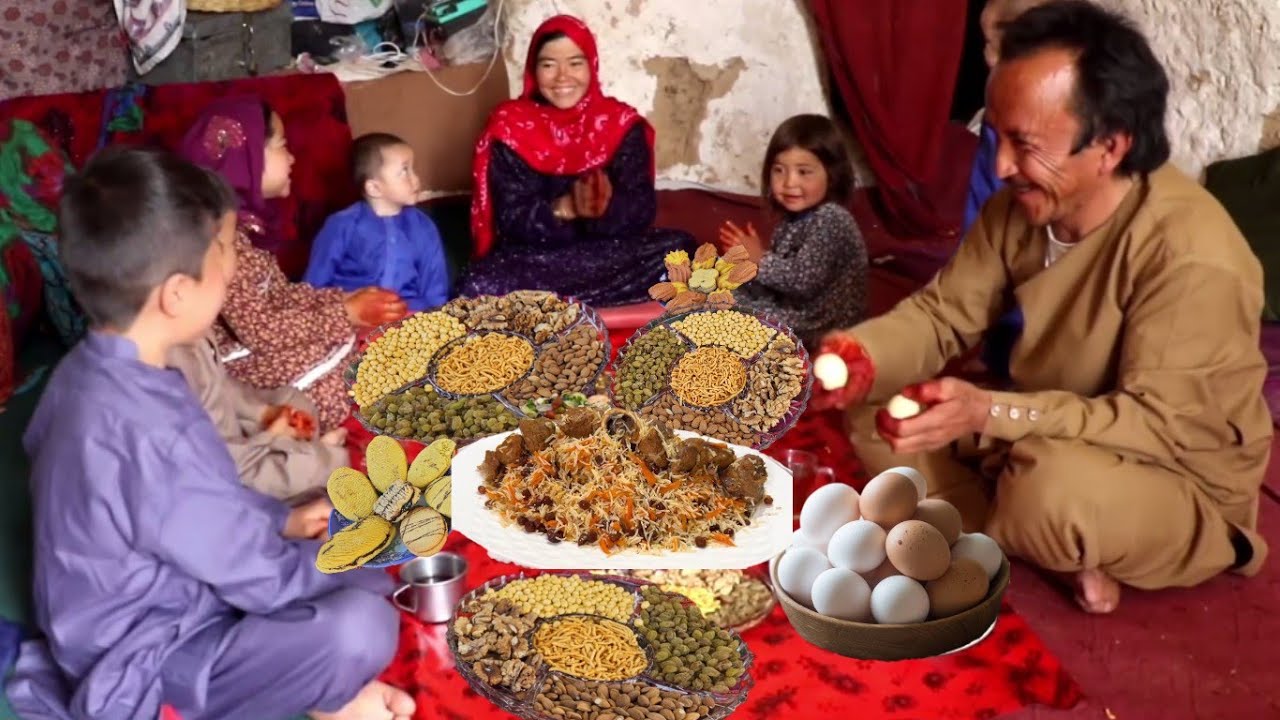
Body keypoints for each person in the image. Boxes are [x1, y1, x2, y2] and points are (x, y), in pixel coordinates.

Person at [815, 0, 1271, 614]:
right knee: (882, 410)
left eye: (1024, 144)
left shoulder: (1191, 256)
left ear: (1109, 146)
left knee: (1051, 494)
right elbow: (944, 314)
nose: (1001, 167)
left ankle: (1054, 528)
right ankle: (1042, 542)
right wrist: (859, 358)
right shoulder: (1024, 201)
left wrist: (989, 410)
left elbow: (1155, 425)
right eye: (998, 138)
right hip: (1039, 427)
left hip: (1171, 469)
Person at [4, 146, 412, 720]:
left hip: (127, 603)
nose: (232, 269)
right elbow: (261, 578)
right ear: (176, 294)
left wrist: (284, 520)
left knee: (333, 544)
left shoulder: (84, 372)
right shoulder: (150, 428)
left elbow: (188, 511)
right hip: (146, 656)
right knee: (363, 618)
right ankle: (311, 698)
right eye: (223, 253)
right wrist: (339, 552)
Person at [178, 97, 407, 430]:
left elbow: (279, 297)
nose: (292, 157)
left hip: (262, 341)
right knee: (340, 371)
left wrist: (339, 301)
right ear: (249, 159)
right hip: (235, 362)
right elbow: (260, 331)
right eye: (282, 146)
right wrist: (344, 313)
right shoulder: (220, 247)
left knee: (353, 343)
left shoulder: (243, 233)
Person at [461, 14, 695, 307]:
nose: (562, 77)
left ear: (591, 65)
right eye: (549, 65)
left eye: (575, 63)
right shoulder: (510, 127)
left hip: (607, 256)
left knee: (682, 252)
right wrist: (564, 208)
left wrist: (606, 209)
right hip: (537, 260)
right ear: (534, 70)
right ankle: (589, 307)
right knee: (478, 283)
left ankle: (551, 309)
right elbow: (510, 221)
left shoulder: (620, 124)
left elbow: (641, 212)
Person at [716, 114, 868, 350]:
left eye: (804, 172)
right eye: (779, 171)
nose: (789, 183)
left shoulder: (832, 219)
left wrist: (758, 259)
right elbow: (780, 279)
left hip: (820, 324)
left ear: (832, 174)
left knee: (726, 305)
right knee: (719, 277)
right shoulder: (792, 221)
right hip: (795, 307)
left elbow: (802, 280)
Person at [166, 334, 349, 502]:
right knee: (328, 468)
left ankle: (308, 451)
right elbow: (224, 467)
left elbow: (219, 387)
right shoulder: (171, 363)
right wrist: (271, 436)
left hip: (240, 448)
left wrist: (264, 413)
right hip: (229, 473)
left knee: (296, 403)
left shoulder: (190, 334)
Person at [304, 132, 451, 312]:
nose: (416, 179)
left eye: (413, 169)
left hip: (409, 320)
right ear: (374, 187)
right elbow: (312, 289)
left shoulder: (423, 227)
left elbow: (434, 292)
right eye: (405, 171)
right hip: (352, 320)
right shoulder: (341, 226)